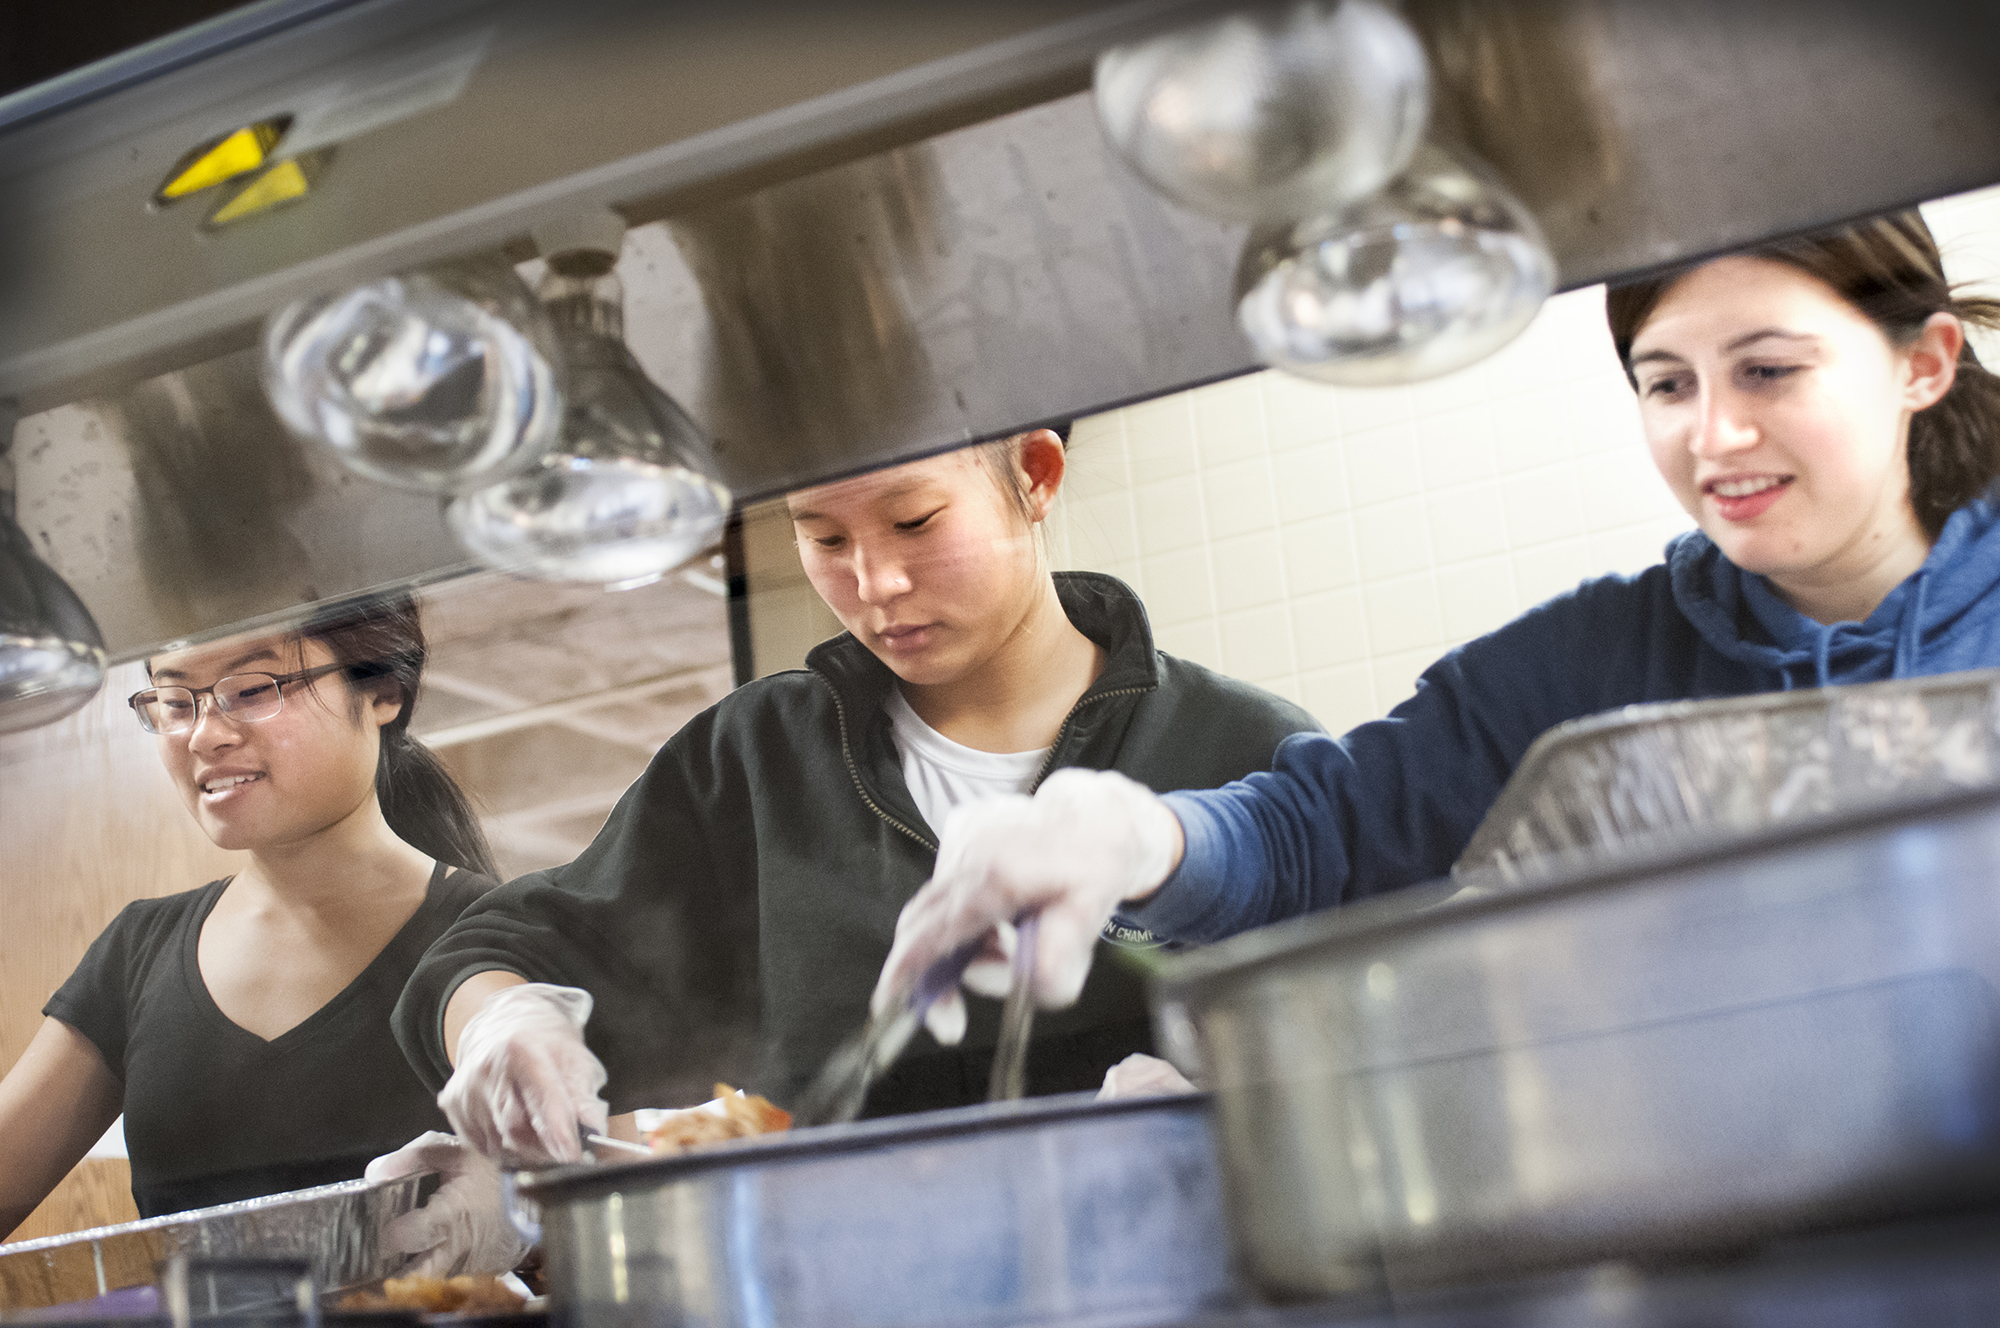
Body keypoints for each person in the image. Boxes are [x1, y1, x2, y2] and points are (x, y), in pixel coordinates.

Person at [873, 209, 2000, 1028]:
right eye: (1666, 384)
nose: (1711, 436)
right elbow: (1321, 833)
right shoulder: (1591, 661)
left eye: (1764, 371)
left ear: (1922, 363)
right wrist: (1132, 838)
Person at [389, 426, 1322, 1167]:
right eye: (823, 537)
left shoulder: (1241, 753)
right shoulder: (758, 763)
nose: (875, 583)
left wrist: (1236, 1110)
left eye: (914, 522)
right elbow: (507, 946)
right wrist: (501, 1025)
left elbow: (1386, 1038)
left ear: (1035, 476)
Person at [0, 592, 498, 1234]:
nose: (205, 735)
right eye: (176, 704)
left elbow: (608, 1215)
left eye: (255, 690)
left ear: (381, 692)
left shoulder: (506, 930)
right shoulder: (139, 949)